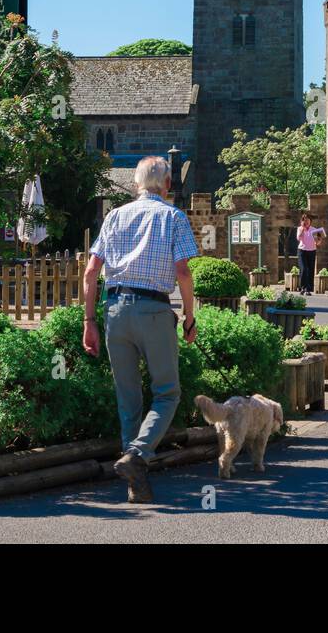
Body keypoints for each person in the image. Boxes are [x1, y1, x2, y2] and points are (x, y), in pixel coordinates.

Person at [82, 155, 198, 503]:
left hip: (114, 310)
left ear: (135, 184)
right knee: (167, 393)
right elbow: (183, 272)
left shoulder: (115, 215)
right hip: (154, 310)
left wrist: (89, 323)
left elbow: (90, 273)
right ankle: (137, 455)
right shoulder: (174, 216)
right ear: (166, 185)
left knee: (128, 397)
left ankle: (136, 483)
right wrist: (189, 316)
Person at [296, 213, 326, 295]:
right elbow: (298, 238)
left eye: (308, 220)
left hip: (312, 251)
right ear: (302, 221)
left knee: (310, 269)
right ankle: (302, 287)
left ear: (310, 221)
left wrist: (318, 241)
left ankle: (308, 289)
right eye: (305, 220)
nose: (306, 222)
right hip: (302, 250)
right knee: (304, 269)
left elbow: (318, 242)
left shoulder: (314, 230)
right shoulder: (300, 229)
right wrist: (303, 229)